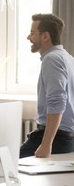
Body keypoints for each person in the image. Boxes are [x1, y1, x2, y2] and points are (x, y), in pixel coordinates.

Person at [20, 13, 74, 158]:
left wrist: (46, 144)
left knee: (2, 166)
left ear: (45, 36)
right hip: (65, 138)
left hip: (56, 139)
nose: (28, 38)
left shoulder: (52, 59)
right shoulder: (68, 58)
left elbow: (57, 101)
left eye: (32, 33)